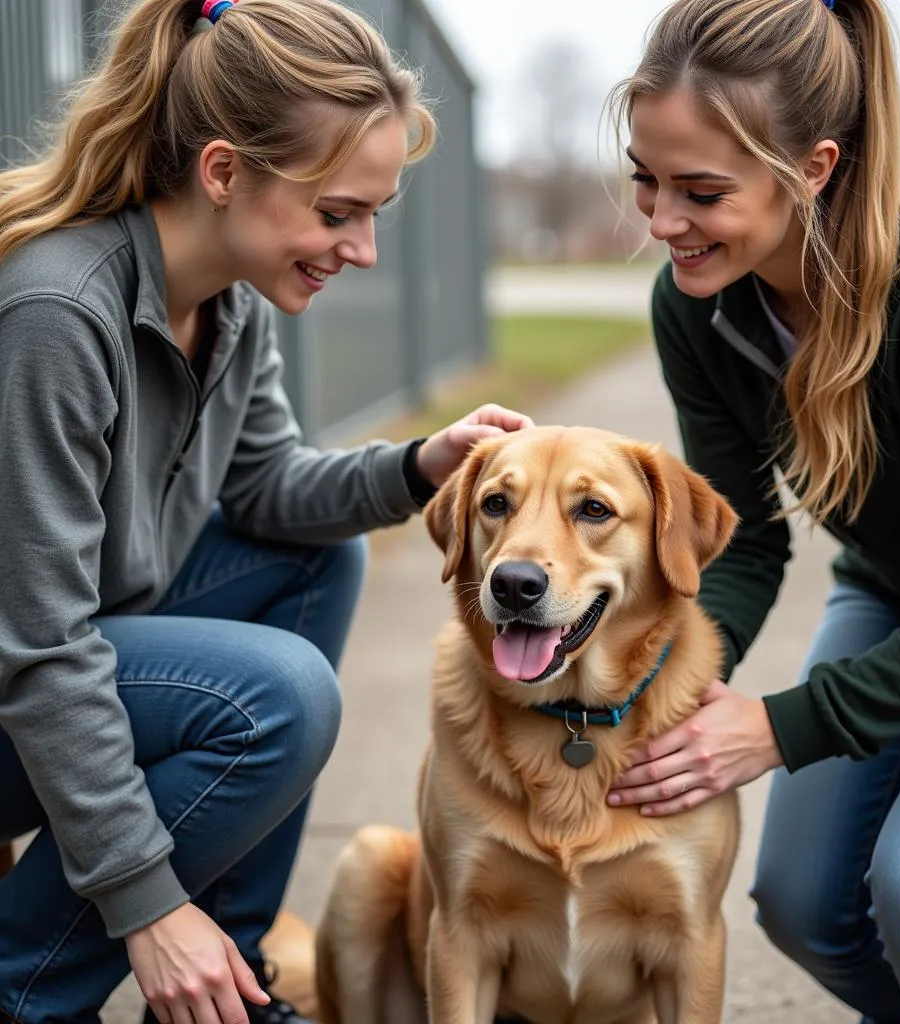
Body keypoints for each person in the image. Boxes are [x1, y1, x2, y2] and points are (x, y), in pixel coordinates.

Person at [0, 1, 532, 1021]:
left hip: (55, 659)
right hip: (22, 675)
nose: (363, 248)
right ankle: (25, 981)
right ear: (222, 173)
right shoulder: (59, 316)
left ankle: (222, 989)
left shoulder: (230, 303)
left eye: (371, 215)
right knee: (275, 698)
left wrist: (425, 462)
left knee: (315, 558)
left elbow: (267, 489)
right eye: (337, 213)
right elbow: (38, 647)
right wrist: (147, 901)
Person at [603, 0, 900, 1021]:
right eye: (646, 182)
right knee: (800, 903)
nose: (661, 224)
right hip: (897, 587)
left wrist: (779, 729)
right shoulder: (697, 301)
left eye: (700, 192)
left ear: (815, 168)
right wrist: (650, 691)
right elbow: (741, 540)